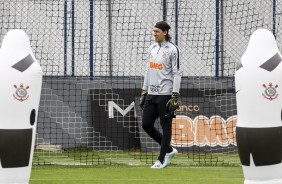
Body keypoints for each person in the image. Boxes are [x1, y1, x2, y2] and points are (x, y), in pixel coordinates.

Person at [140, 21, 182, 169]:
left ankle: (160, 159)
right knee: (146, 124)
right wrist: (144, 91)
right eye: (154, 31)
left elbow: (177, 73)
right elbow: (148, 71)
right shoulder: (151, 48)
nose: (154, 34)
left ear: (165, 32)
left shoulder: (173, 49)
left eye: (157, 31)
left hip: (166, 94)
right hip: (151, 93)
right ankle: (170, 150)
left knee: (166, 127)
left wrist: (175, 95)